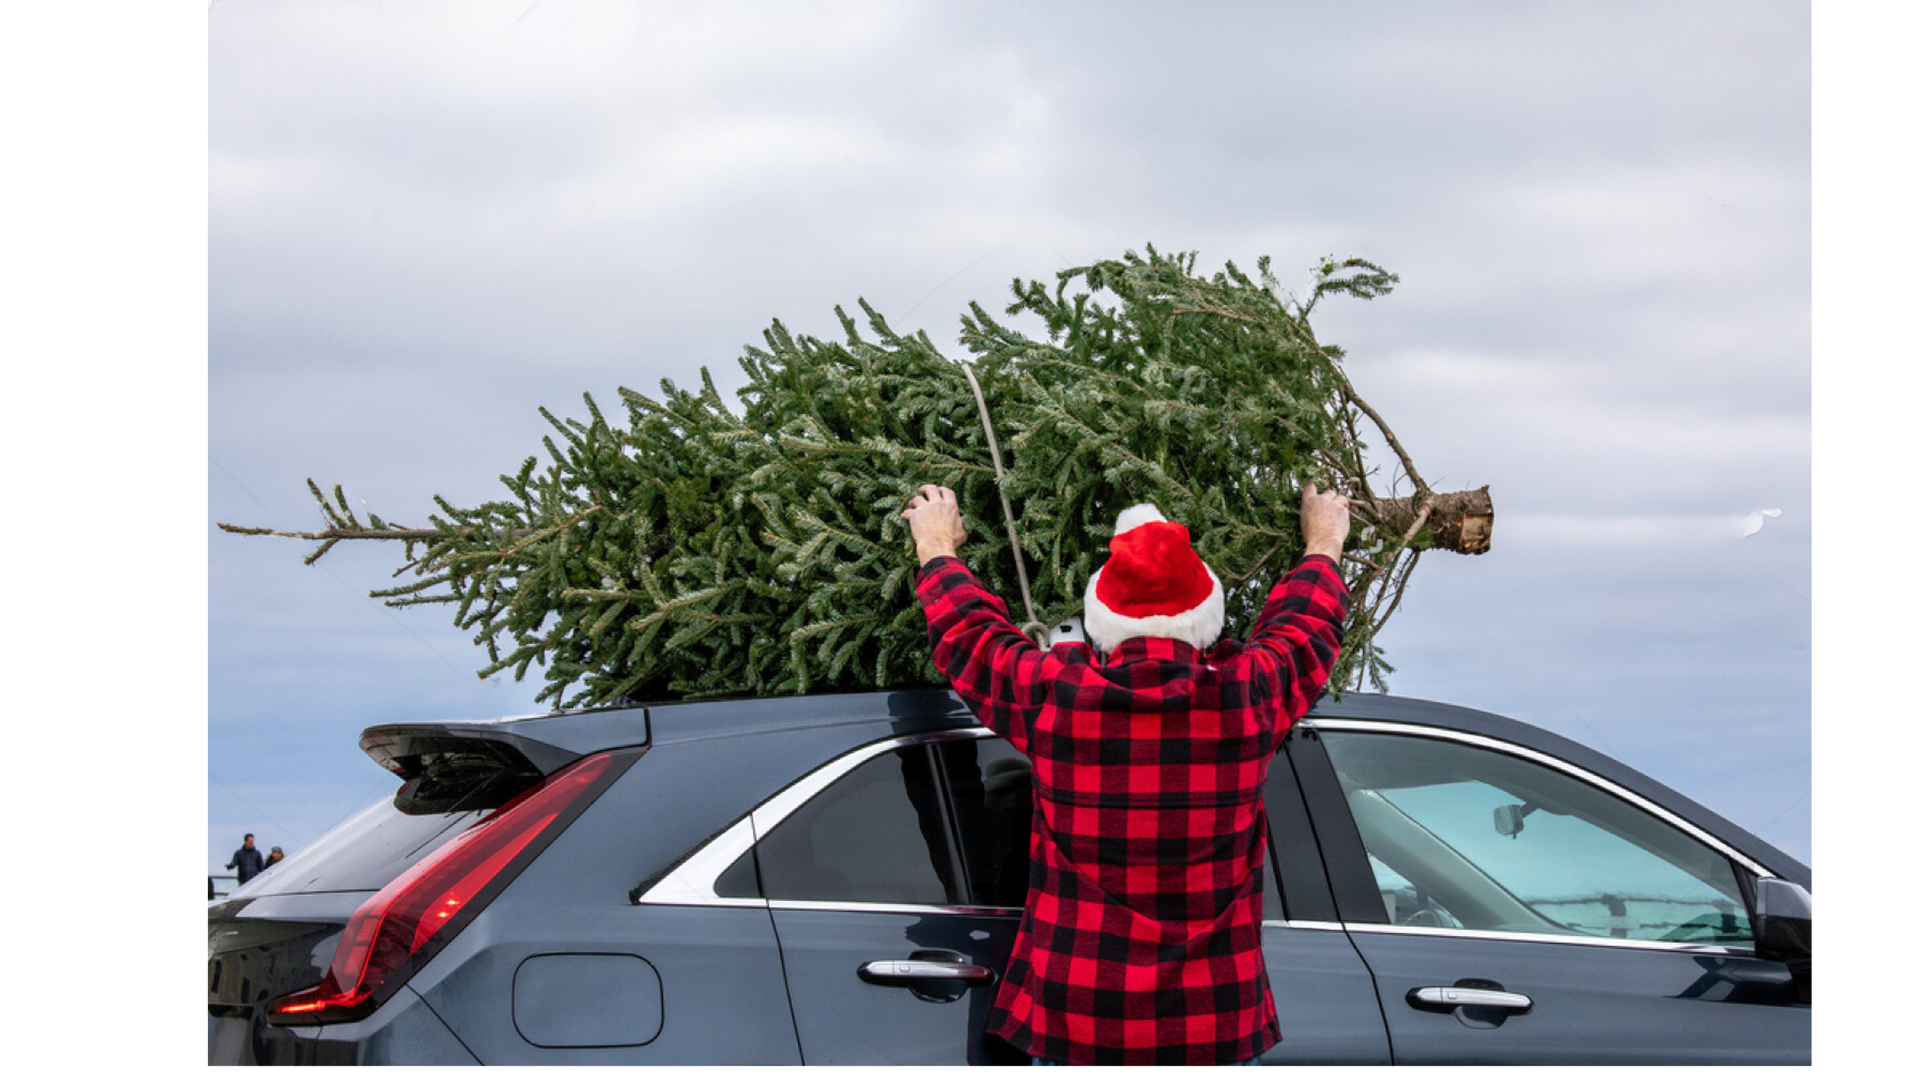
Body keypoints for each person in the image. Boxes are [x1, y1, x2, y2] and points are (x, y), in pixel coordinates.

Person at [901, 483, 1350, 1069]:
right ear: (1205, 618)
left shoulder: (1059, 696)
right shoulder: (1247, 694)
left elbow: (970, 635)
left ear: (1101, 620)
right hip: (1212, 1025)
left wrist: (936, 543)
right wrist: (1323, 540)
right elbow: (1306, 628)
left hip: (1078, 1023)